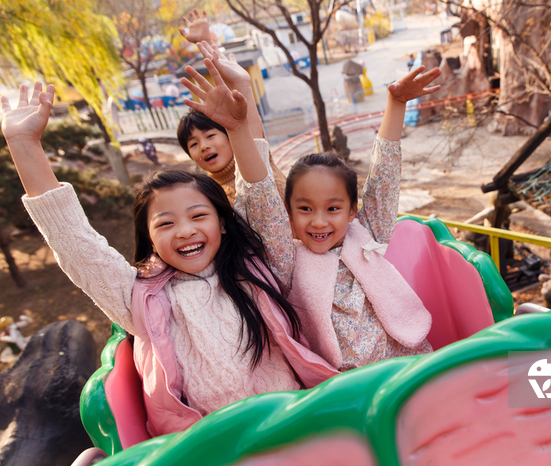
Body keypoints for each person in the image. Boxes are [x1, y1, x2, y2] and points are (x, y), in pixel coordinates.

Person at [1, 82, 336, 437]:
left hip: (295, 427)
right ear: (150, 238)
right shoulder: (141, 299)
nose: (184, 231)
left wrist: (238, 128)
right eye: (166, 223)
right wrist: (24, 144)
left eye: (197, 216)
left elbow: (261, 193)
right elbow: (76, 245)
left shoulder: (259, 263)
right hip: (211, 448)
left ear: (222, 223)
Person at [182, 57, 442, 372]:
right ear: (287, 216)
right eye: (305, 209)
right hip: (345, 388)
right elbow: (260, 190)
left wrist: (396, 102)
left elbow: (385, 176)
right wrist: (237, 131)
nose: (318, 221)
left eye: (333, 208)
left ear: (352, 212)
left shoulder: (367, 233)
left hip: (409, 364)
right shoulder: (287, 260)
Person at [177, 11, 286, 203]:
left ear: (230, 137)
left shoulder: (257, 158)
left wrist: (206, 42)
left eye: (210, 135)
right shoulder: (207, 196)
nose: (204, 146)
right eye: (193, 144)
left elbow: (245, 116)